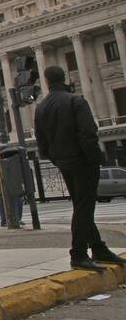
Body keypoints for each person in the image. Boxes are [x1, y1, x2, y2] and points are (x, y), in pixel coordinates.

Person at [34, 66, 126, 271]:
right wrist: (95, 159)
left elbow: (42, 144)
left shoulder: (41, 108)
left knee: (81, 206)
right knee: (85, 207)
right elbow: (88, 133)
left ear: (46, 81)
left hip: (64, 162)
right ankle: (78, 253)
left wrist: (58, 159)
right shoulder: (75, 100)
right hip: (83, 161)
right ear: (63, 78)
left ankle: (98, 248)